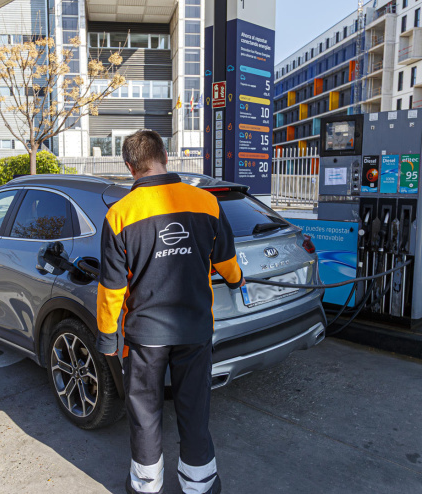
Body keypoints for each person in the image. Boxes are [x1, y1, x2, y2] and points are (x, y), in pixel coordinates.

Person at [96, 130, 244, 494]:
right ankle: (200, 484)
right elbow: (227, 264)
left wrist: (107, 338)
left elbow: (111, 289)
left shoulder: (119, 214)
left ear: (130, 167)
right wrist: (237, 279)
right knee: (194, 409)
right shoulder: (205, 202)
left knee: (145, 414)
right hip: (194, 329)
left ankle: (146, 486)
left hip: (144, 336)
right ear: (165, 156)